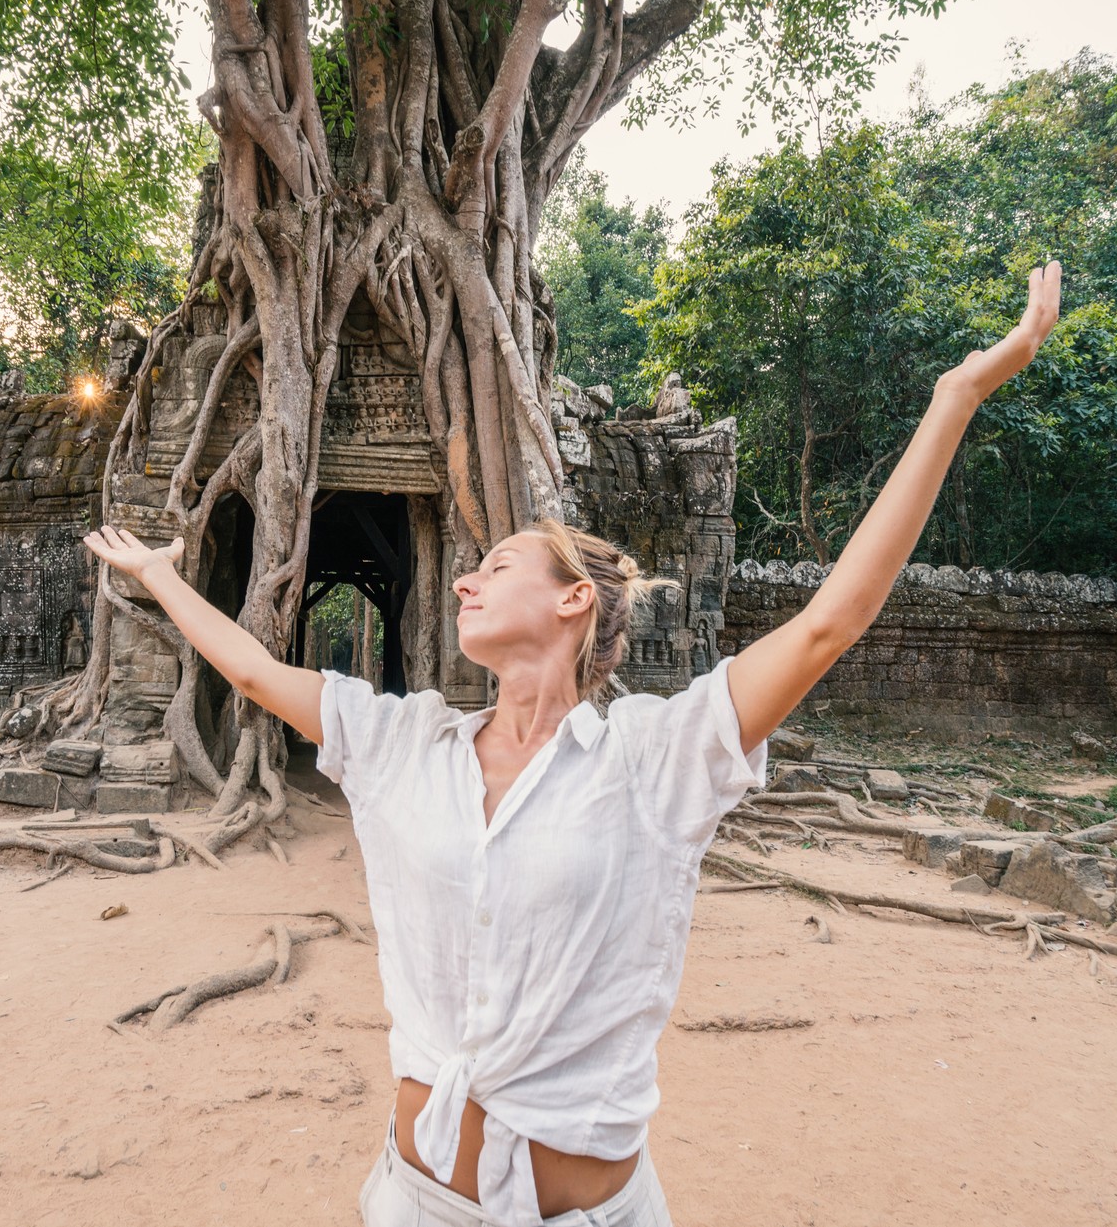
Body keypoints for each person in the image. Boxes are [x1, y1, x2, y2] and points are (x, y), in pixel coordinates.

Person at [84, 263, 1064, 1227]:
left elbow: (829, 623)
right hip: (414, 1202)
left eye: (497, 564)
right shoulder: (403, 744)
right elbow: (256, 674)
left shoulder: (656, 758)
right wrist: (167, 579)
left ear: (575, 598)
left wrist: (956, 396)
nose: (465, 582)